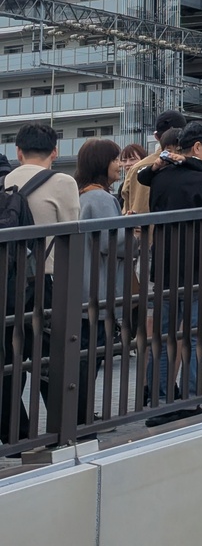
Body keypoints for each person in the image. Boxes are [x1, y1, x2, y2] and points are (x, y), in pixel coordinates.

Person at [144, 121, 202, 424]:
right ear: (197, 147)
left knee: (163, 337)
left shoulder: (160, 178)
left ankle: (158, 401)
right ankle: (190, 400)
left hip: (166, 268)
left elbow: (143, 179)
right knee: (196, 337)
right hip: (199, 268)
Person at [2, 123, 79, 440]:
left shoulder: (6, 181)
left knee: (11, 358)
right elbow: (73, 231)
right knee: (56, 357)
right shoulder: (64, 182)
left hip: (12, 283)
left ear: (18, 152)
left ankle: (15, 433)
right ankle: (65, 428)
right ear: (55, 152)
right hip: (50, 281)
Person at [74, 138, 127, 425]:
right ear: (101, 163)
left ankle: (79, 414)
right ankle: (83, 417)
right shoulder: (103, 198)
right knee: (91, 358)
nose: (119, 165)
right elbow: (113, 243)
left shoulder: (81, 195)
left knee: (82, 357)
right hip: (98, 289)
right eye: (115, 159)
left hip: (79, 288)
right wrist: (136, 233)